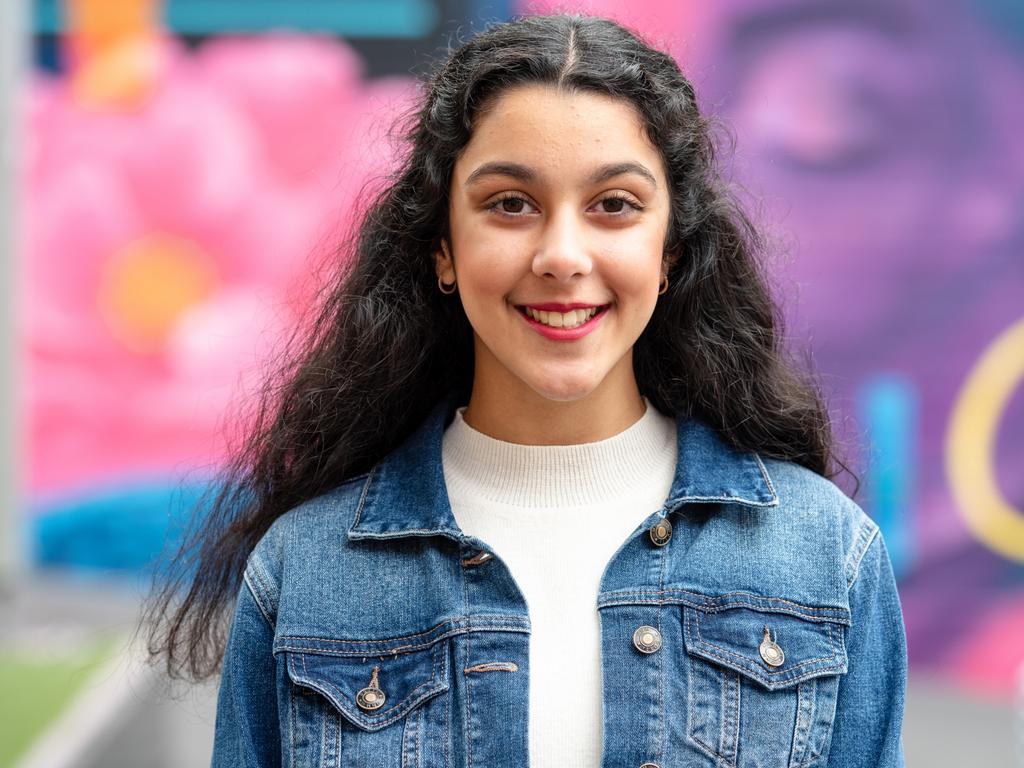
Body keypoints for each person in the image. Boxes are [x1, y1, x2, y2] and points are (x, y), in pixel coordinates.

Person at [147, 13, 907, 768]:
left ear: (669, 250)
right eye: (511, 204)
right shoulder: (304, 573)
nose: (561, 255)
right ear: (442, 247)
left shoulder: (828, 559)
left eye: (614, 205)